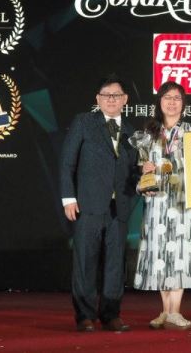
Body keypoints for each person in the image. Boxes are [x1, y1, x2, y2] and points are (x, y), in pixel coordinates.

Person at [59, 74, 138, 332]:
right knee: (85, 261)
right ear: (98, 98)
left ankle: (111, 314)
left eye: (116, 95)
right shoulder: (84, 122)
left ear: (125, 99)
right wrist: (68, 198)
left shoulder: (133, 133)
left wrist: (144, 175)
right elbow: (67, 163)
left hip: (119, 209)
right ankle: (84, 315)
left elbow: (135, 172)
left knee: (116, 263)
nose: (111, 99)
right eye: (106, 95)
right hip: (87, 206)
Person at [133, 81, 191, 330]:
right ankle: (165, 310)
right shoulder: (148, 133)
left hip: (184, 203)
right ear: (159, 102)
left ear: (183, 103)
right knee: (159, 254)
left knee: (181, 254)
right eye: (167, 97)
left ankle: (175, 311)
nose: (172, 102)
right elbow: (141, 167)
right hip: (157, 203)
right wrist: (144, 169)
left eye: (177, 98)